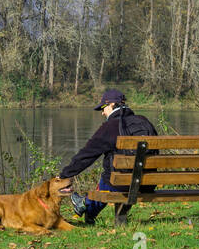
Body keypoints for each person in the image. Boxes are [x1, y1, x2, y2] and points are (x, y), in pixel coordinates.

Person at [58, 88, 157, 225]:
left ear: (111, 104)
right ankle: (86, 206)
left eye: (103, 108)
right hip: (148, 183)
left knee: (110, 177)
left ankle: (87, 206)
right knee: (117, 175)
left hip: (122, 184)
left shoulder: (110, 126)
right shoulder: (144, 121)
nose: (102, 113)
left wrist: (64, 175)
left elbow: (87, 155)